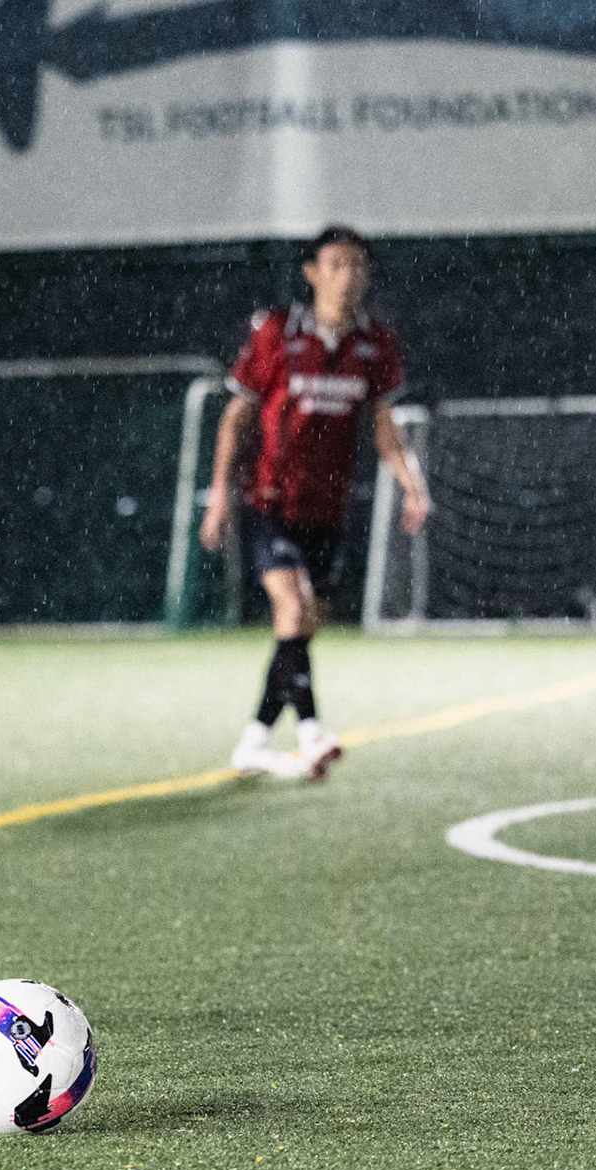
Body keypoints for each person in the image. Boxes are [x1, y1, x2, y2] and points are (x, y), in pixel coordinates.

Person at [199, 225, 432, 780]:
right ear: (312, 272)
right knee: (293, 607)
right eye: (335, 264)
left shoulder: (375, 344)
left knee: (304, 626)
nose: (347, 274)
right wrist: (218, 497)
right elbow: (237, 416)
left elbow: (384, 425)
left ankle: (255, 739)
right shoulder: (278, 332)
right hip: (268, 499)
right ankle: (313, 731)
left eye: (356, 265)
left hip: (328, 508)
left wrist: (411, 482)